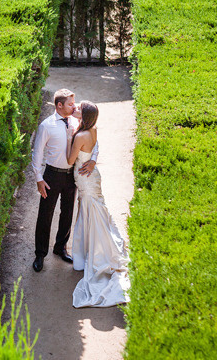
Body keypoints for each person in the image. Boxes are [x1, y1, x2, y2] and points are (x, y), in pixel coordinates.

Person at [67, 101, 130, 308]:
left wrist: (70, 141)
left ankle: (93, 254)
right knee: (92, 211)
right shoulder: (92, 129)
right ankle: (91, 251)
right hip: (92, 175)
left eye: (78, 108)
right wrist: (93, 158)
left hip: (84, 177)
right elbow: (97, 146)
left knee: (89, 213)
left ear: (84, 116)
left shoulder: (80, 135)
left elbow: (69, 161)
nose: (74, 108)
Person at [31, 89, 98, 273]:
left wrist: (93, 160)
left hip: (71, 175)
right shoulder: (47, 125)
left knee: (67, 212)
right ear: (59, 105)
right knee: (46, 214)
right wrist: (38, 179)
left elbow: (94, 139)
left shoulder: (77, 121)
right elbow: (37, 153)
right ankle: (40, 254)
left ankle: (60, 247)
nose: (75, 107)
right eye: (70, 104)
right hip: (51, 174)